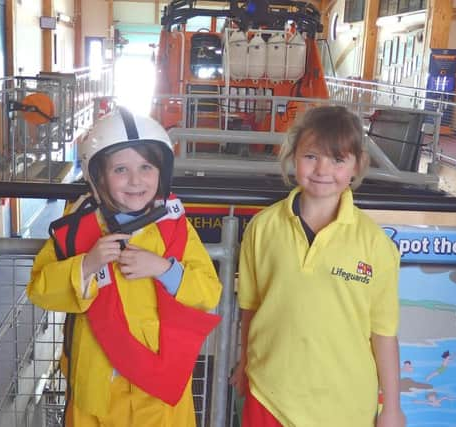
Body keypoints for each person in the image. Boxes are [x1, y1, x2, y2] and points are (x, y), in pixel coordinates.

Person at [27, 107, 222, 427]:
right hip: (98, 390)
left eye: (146, 166)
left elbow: (208, 292)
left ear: (162, 172)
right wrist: (86, 265)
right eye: (120, 169)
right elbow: (41, 289)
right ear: (99, 177)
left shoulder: (175, 229)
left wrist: (164, 269)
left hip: (160, 391)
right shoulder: (78, 229)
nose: (135, 180)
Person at [231, 106, 405, 427]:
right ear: (293, 157)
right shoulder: (262, 228)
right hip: (271, 396)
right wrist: (244, 364)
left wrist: (392, 407)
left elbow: (383, 333)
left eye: (338, 160)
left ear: (356, 166)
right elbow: (250, 309)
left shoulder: (374, 244)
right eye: (311, 156)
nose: (322, 169)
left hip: (344, 405)